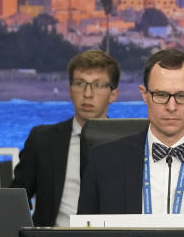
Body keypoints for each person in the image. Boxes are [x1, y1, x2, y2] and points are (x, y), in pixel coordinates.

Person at [77, 48, 184, 227]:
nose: (171, 106)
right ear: (144, 95)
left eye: (182, 95)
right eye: (161, 95)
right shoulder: (102, 162)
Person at [10, 49, 120, 227]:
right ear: (70, 89)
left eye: (98, 85)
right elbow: (15, 200)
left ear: (113, 94)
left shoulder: (127, 143)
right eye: (79, 83)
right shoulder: (42, 140)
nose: (88, 93)